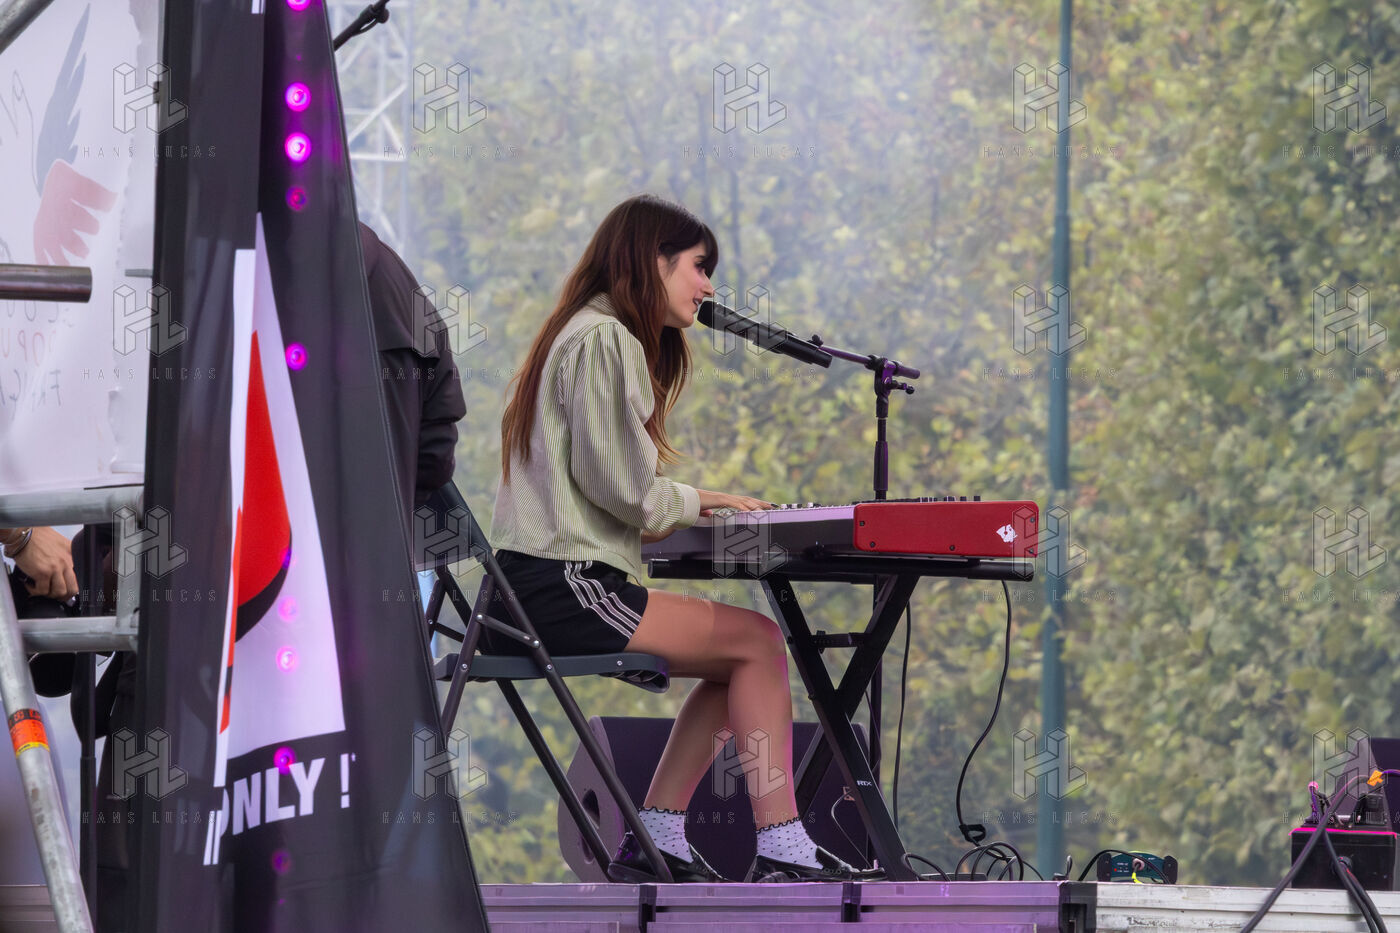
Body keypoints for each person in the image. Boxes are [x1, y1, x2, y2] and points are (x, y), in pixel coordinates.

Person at [490, 194, 882, 883]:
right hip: (561, 587)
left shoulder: (580, 331)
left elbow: (608, 488)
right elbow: (627, 492)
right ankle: (781, 844)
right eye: (699, 267)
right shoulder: (604, 337)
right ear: (653, 260)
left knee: (739, 653)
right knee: (758, 643)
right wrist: (703, 501)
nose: (707, 287)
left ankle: (664, 834)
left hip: (541, 583)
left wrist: (692, 505)